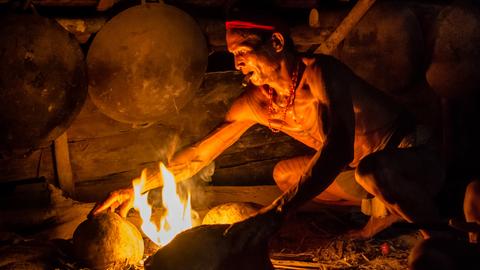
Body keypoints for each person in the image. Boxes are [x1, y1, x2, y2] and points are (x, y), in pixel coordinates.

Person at [91, 2, 445, 240]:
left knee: (370, 172)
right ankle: (385, 207)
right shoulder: (257, 103)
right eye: (233, 55)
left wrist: (276, 211)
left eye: (243, 52)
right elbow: (199, 156)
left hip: (409, 154)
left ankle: (441, 238)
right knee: (285, 176)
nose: (237, 64)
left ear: (276, 42)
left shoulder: (320, 73)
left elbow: (336, 148)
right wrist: (136, 188)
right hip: (361, 174)